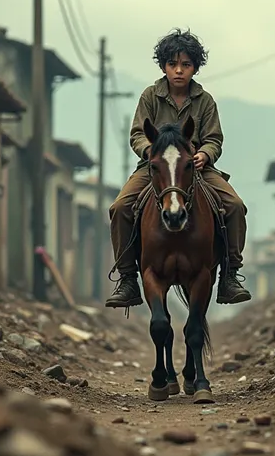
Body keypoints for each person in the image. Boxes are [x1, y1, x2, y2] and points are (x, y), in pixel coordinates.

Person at [106, 28, 251, 309]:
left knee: (234, 205)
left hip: (194, 167)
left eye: (186, 65)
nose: (179, 71)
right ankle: (127, 278)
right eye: (173, 64)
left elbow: (213, 139)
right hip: (156, 167)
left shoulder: (205, 100)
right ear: (163, 66)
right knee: (120, 207)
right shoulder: (150, 96)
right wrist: (150, 152)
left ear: (195, 68)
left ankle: (230, 274)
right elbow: (137, 133)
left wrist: (205, 155)